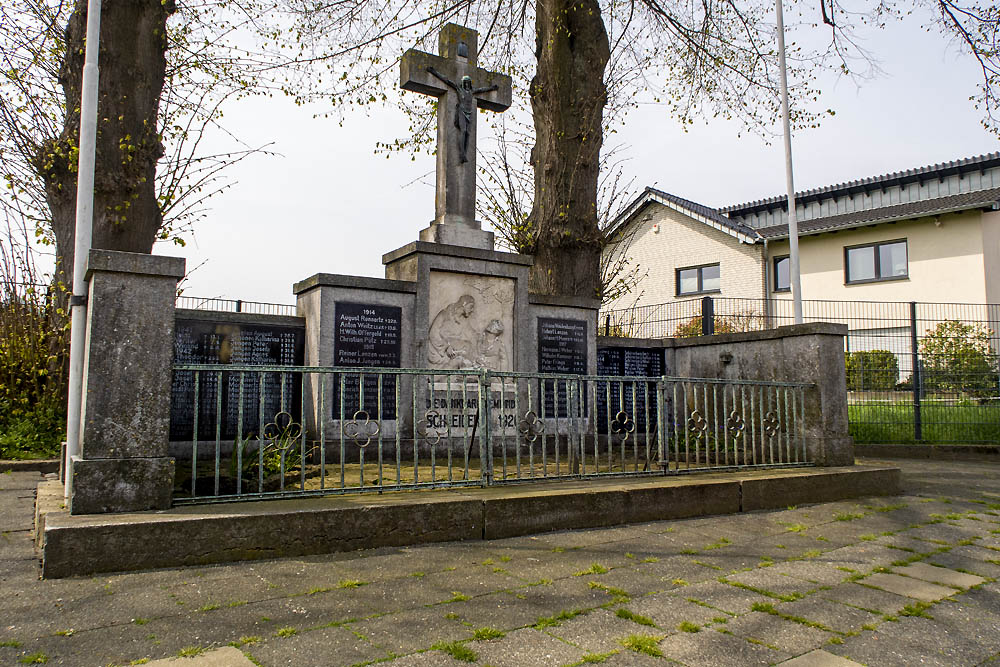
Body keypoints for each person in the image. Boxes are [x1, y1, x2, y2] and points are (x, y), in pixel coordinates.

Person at [426, 67, 498, 163]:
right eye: (466, 83)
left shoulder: (472, 92)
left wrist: (492, 88)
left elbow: (481, 90)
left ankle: (465, 153)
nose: (467, 85)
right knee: (463, 130)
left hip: (469, 113)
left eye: (469, 83)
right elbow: (447, 81)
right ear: (463, 83)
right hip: (461, 111)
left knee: (468, 133)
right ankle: (462, 153)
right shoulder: (459, 89)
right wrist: (434, 72)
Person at [427, 295, 478, 368]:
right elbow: (433, 334)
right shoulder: (444, 314)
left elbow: (471, 334)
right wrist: (445, 347)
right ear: (464, 304)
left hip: (453, 351)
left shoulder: (463, 320)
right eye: (471, 306)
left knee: (467, 347)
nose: (472, 310)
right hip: (437, 351)